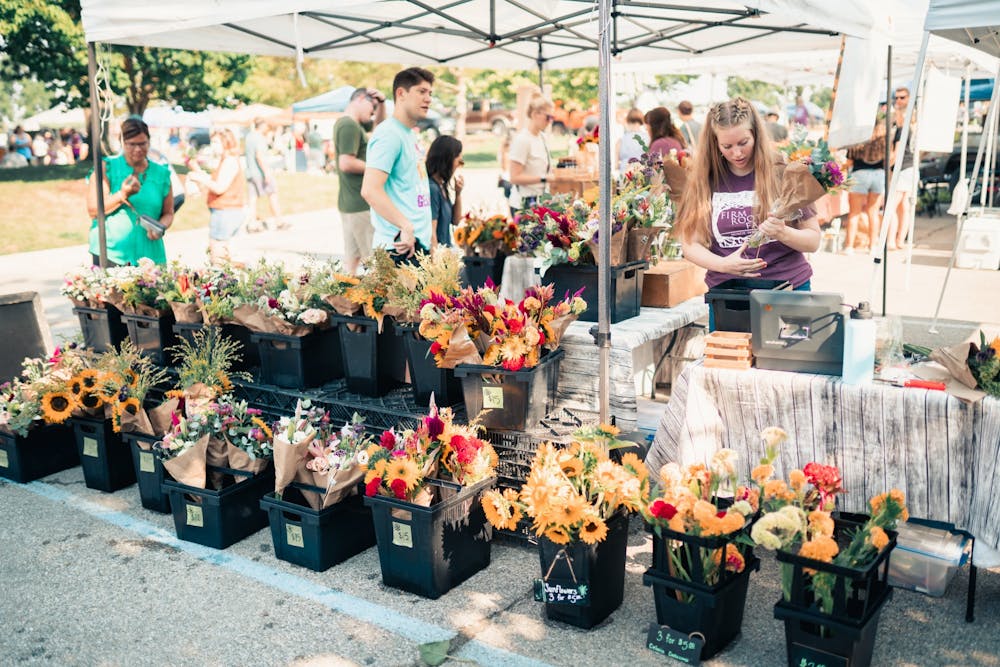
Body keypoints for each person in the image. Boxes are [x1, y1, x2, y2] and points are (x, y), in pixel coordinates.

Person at [676, 98, 820, 329]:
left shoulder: (783, 172)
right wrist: (723, 265)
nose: (737, 153)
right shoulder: (704, 180)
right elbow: (689, 245)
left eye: (743, 142)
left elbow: (813, 240)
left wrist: (783, 232)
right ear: (715, 144)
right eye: (727, 146)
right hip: (729, 298)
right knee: (726, 363)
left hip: (788, 290)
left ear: (756, 135)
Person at [361, 67, 435, 262]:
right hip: (398, 248)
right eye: (421, 92)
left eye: (430, 93)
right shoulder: (389, 134)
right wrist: (405, 225)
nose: (428, 99)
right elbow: (370, 190)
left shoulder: (409, 133)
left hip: (416, 245)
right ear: (401, 94)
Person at [86, 117, 174, 267]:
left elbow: (168, 213)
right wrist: (122, 195)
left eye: (142, 143)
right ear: (122, 143)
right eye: (132, 144)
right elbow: (94, 210)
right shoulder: (106, 168)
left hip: (150, 254)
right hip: (112, 252)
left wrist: (160, 227)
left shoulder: (161, 174)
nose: (138, 149)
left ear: (149, 142)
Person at [334, 87, 387, 273]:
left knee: (353, 260)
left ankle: (349, 298)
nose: (373, 112)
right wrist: (375, 168)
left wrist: (381, 103)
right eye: (371, 107)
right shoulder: (349, 125)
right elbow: (346, 163)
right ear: (360, 99)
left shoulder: (352, 124)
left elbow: (380, 127)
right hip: (359, 203)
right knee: (372, 260)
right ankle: (374, 300)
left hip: (350, 203)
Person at [187, 129, 246, 266]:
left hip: (225, 211)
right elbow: (217, 181)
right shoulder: (226, 160)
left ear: (226, 143)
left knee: (218, 257)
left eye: (216, 142)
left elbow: (220, 187)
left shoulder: (229, 161)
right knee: (230, 255)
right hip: (229, 211)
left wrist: (198, 178)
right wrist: (198, 171)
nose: (212, 145)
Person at [844, 124, 887, 254]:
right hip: (878, 175)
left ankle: (849, 247)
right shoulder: (882, 142)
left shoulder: (857, 140)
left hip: (859, 174)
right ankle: (873, 246)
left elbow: (850, 162)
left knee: (854, 213)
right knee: (873, 212)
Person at [508, 94, 553, 211]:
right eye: (548, 117)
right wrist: (544, 178)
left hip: (539, 201)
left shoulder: (542, 137)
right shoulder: (522, 140)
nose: (550, 121)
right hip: (523, 204)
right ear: (534, 114)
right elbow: (514, 177)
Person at [244, 118, 287, 232]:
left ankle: (252, 224)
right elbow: (259, 156)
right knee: (272, 194)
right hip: (260, 173)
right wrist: (267, 172)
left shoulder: (249, 137)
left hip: (250, 172)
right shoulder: (259, 138)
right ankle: (279, 221)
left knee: (252, 199)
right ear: (262, 126)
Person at [887, 86, 916, 250]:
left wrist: (887, 167)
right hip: (910, 167)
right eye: (896, 98)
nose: (898, 100)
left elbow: (896, 153)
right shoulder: (908, 122)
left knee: (893, 206)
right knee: (904, 206)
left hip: (904, 167)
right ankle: (899, 240)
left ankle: (892, 240)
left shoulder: (903, 125)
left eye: (902, 97)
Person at [426, 135, 464, 247]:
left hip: (446, 251)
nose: (459, 166)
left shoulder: (441, 185)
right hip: (438, 255)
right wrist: (436, 261)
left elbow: (455, 221)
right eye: (459, 162)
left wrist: (458, 194)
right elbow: (431, 231)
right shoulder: (432, 189)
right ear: (447, 160)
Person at [616, 108, 648, 172]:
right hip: (643, 176)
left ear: (628, 120)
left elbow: (616, 165)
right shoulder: (648, 138)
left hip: (625, 175)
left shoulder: (621, 140)